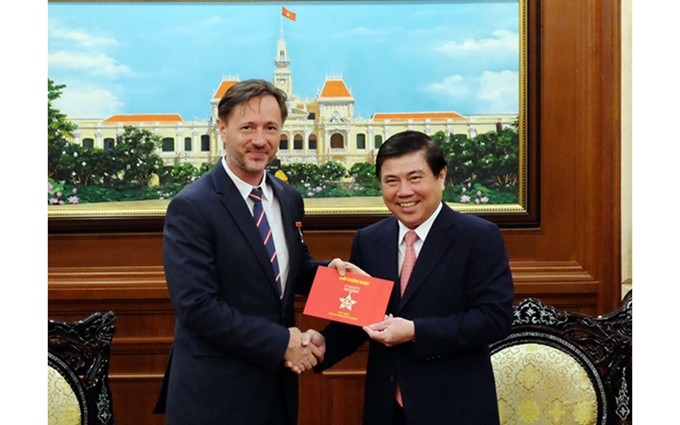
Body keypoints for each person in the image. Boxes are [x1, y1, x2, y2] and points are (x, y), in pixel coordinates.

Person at [154, 79, 356, 425]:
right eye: (248, 127)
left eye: (270, 128)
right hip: (215, 394)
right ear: (222, 128)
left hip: (275, 389)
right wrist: (283, 342)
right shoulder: (192, 206)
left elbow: (287, 271)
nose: (260, 140)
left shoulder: (287, 198)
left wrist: (334, 276)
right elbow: (196, 307)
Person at [311, 130, 515, 425]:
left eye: (415, 178)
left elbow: (494, 319)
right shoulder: (369, 240)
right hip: (385, 409)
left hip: (455, 407)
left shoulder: (479, 237)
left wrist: (415, 330)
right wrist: (320, 346)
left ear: (441, 176)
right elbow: (362, 319)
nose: (403, 191)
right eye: (391, 181)